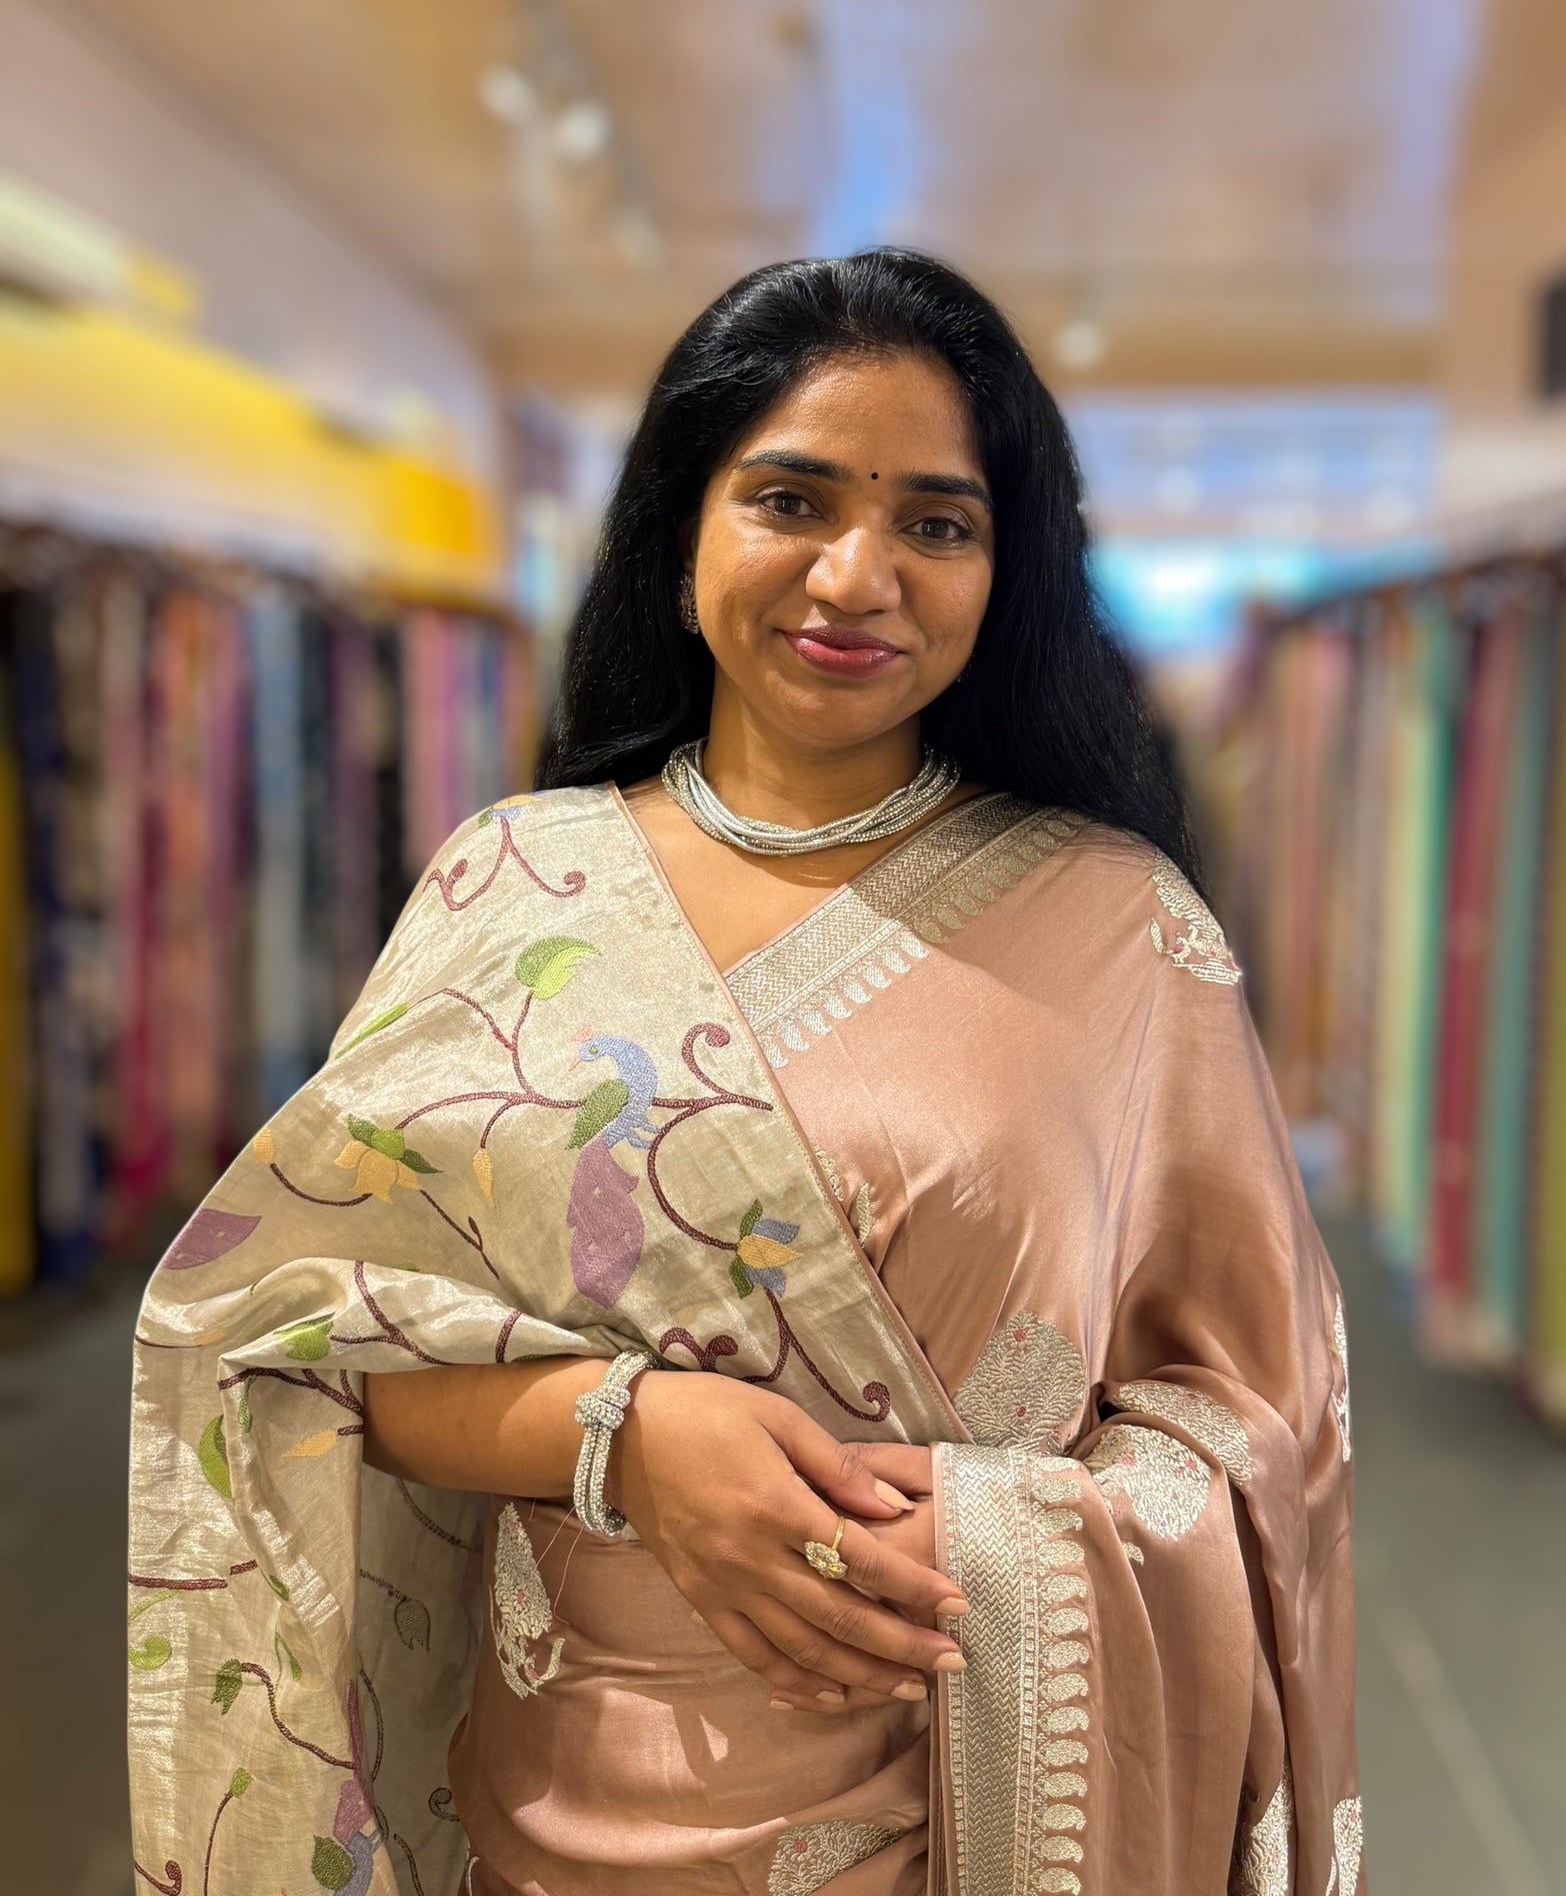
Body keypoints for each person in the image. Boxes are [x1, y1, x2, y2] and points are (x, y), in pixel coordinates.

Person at [128, 250, 1361, 1896]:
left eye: (937, 521)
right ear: (683, 525)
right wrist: (620, 1434)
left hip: (953, 1826)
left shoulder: (1121, 928)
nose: (857, 576)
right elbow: (291, 1340)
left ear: (1008, 570)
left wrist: (1001, 1550)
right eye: (790, 498)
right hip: (557, 1822)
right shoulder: (518, 890)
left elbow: (1260, 1415)